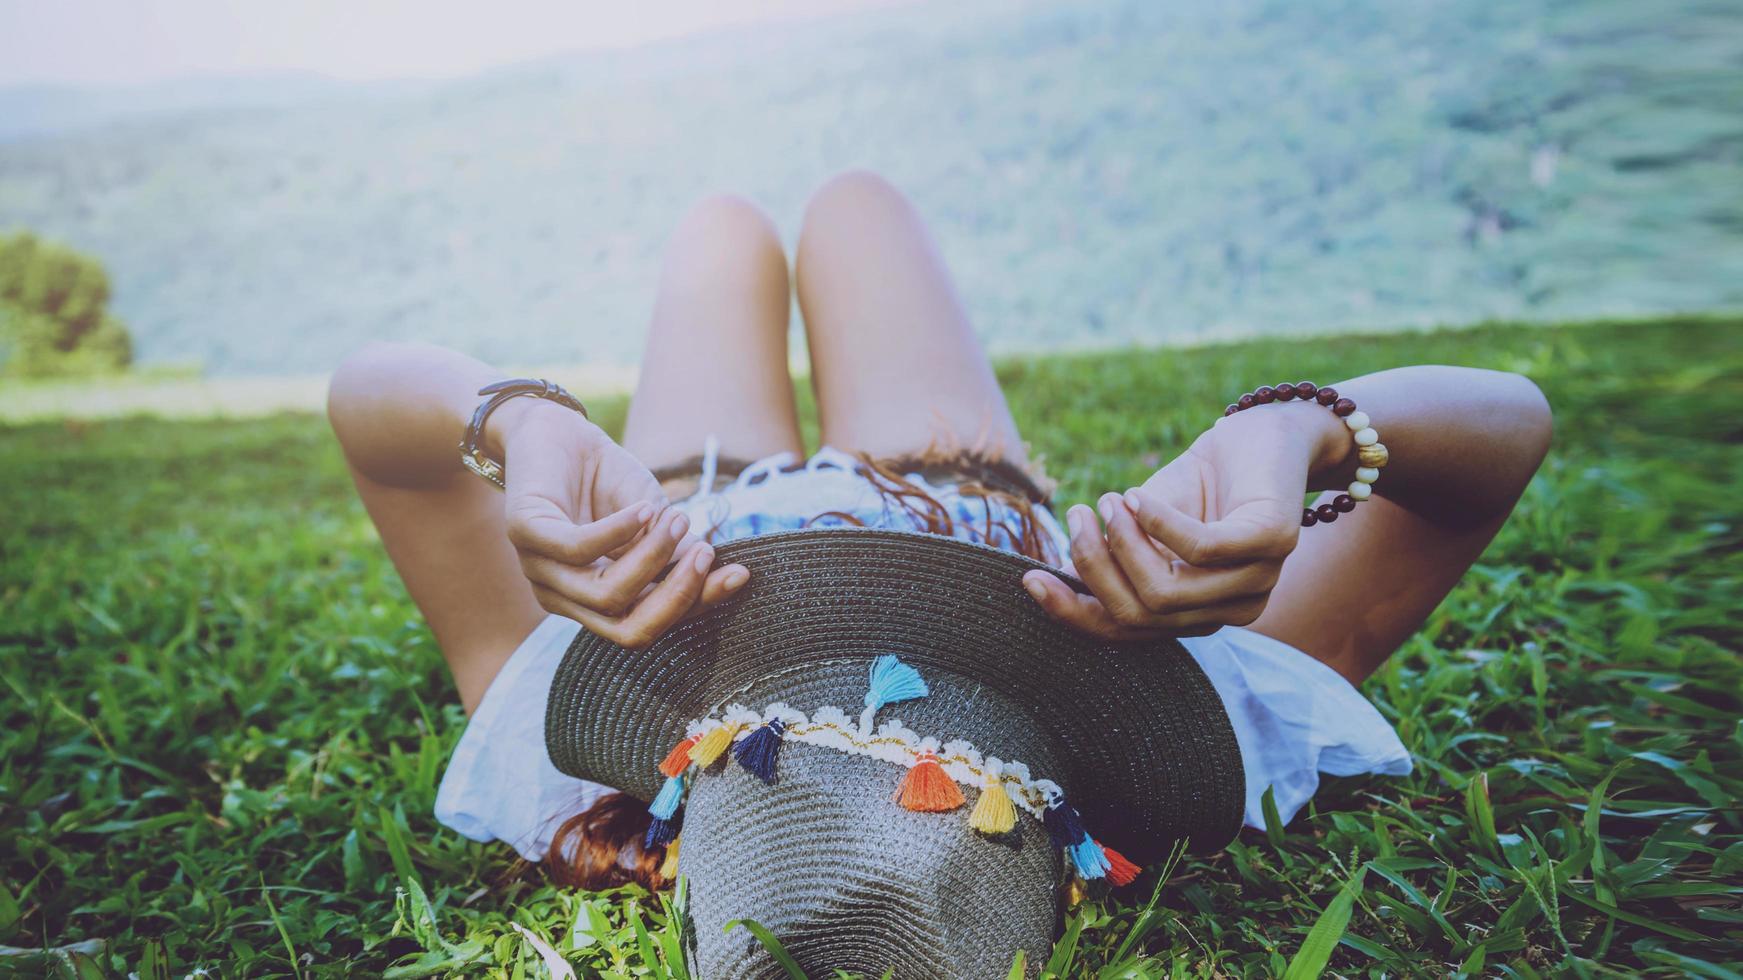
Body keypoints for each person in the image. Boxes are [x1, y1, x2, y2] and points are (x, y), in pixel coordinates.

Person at [326, 170, 1553, 892]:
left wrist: (518, 418)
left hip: (687, 488)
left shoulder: (564, 758)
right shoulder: (1199, 710)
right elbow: (1504, 429)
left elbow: (373, 409)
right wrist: (1307, 431)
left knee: (722, 230)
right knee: (856, 207)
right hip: (946, 467)